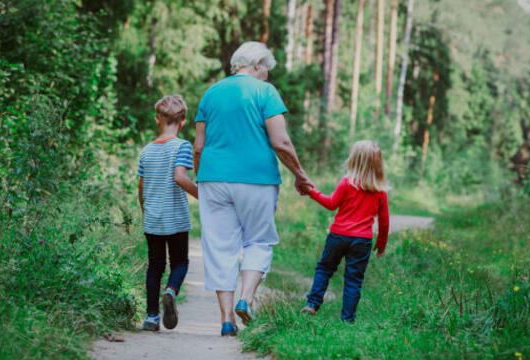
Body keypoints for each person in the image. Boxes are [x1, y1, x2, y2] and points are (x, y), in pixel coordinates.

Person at [193, 41, 312, 336]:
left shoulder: (211, 93)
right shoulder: (265, 92)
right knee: (258, 241)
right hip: (257, 180)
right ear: (257, 65)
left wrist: (202, 180)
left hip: (213, 179)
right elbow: (281, 142)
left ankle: (226, 320)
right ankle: (246, 298)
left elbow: (198, 146)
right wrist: (299, 173)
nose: (267, 76)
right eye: (267, 70)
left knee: (220, 248)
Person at [301, 140, 389, 322]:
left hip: (338, 236)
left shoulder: (347, 183)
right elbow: (385, 221)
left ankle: (312, 304)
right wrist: (381, 244)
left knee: (325, 268)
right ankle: (348, 318)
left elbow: (331, 203)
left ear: (353, 160)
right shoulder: (380, 191)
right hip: (362, 240)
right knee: (354, 280)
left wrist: (312, 192)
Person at [138, 94, 198, 331]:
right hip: (176, 218)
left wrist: (145, 210)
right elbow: (180, 178)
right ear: (183, 122)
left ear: (157, 120)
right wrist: (202, 195)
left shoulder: (147, 150)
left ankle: (151, 317)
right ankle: (171, 291)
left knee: (155, 266)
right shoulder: (182, 146)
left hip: (152, 218)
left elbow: (141, 186)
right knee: (180, 262)